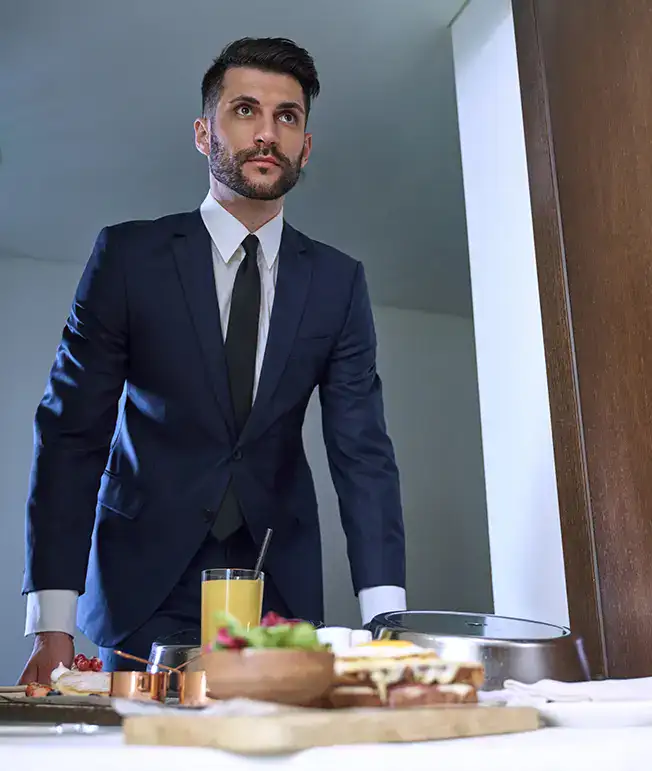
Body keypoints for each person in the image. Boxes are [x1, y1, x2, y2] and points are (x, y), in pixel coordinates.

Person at [19, 37, 406, 683]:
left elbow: (362, 448)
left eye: (287, 117)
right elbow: (71, 433)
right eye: (245, 110)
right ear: (205, 132)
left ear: (305, 146)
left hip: (275, 580)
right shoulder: (127, 258)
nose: (266, 133)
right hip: (145, 582)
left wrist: (386, 616)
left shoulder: (339, 282)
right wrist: (53, 619)